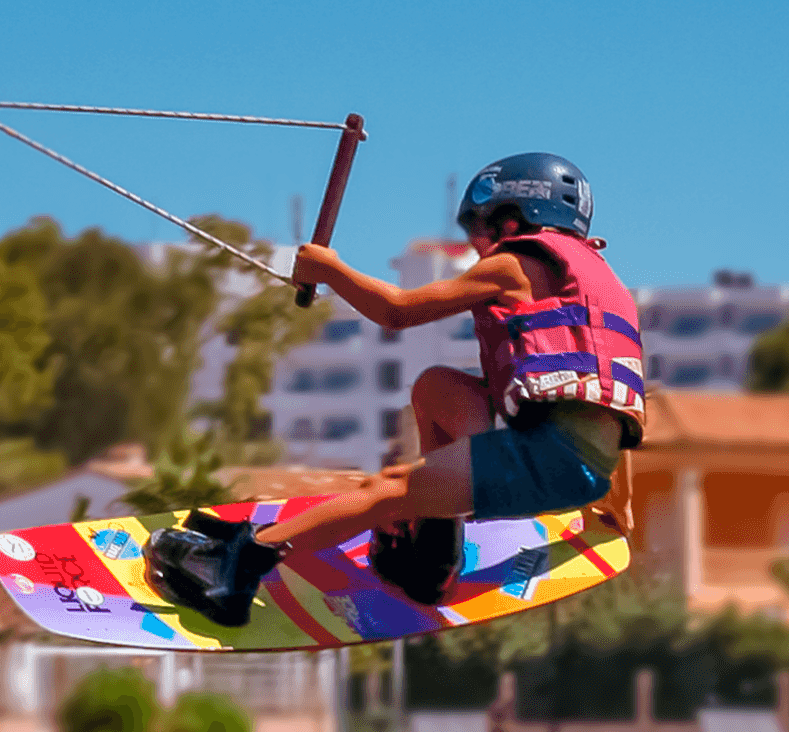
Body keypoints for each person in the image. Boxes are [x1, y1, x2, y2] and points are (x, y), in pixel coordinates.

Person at [147, 153, 648, 627]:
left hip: (546, 459)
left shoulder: (512, 265)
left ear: (517, 215)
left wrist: (327, 269)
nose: (478, 241)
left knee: (386, 490)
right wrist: (614, 511)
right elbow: (614, 408)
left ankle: (236, 569)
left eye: (483, 224)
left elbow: (398, 311)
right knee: (436, 387)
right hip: (579, 462)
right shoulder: (604, 286)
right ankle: (433, 556)